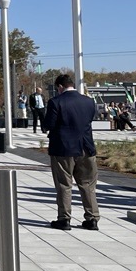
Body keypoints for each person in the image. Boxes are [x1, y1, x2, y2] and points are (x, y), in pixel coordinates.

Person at [42, 74, 101, 230]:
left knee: (64, 184)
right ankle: (92, 218)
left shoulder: (56, 102)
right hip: (86, 147)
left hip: (63, 148)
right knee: (88, 184)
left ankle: (64, 218)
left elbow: (49, 124)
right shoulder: (89, 101)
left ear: (60, 87)